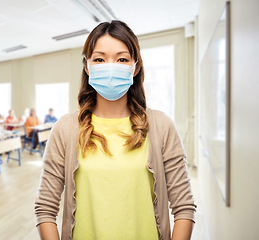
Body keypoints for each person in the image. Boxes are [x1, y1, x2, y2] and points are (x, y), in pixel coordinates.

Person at [34, 21, 196, 240]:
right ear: (87, 66)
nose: (110, 67)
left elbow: (184, 206)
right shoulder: (65, 128)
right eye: (99, 59)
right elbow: (45, 209)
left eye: (122, 59)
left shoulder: (161, 126)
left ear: (135, 67)